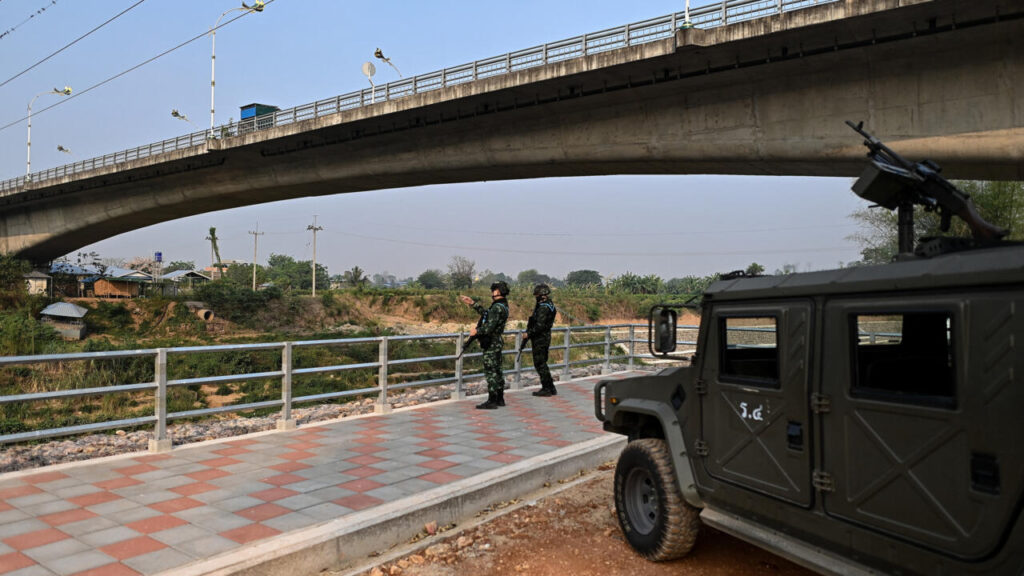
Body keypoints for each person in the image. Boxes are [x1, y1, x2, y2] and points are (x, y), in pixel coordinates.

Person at [459, 281, 510, 409]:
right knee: (497, 370)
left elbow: (489, 326)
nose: (492, 292)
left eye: (494, 290)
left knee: (491, 372)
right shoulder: (502, 305)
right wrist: (473, 304)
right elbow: (487, 315)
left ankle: (492, 401)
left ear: (497, 292)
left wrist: (477, 331)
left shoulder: (497, 307)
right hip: (496, 341)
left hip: (491, 343)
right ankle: (499, 398)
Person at [526, 284, 558, 397]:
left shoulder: (544, 307)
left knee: (540, 363)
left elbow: (539, 325)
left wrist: (528, 334)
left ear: (542, 295)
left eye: (537, 295)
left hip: (540, 338)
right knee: (542, 363)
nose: (536, 297)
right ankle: (551, 387)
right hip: (544, 336)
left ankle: (546, 388)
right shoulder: (549, 304)